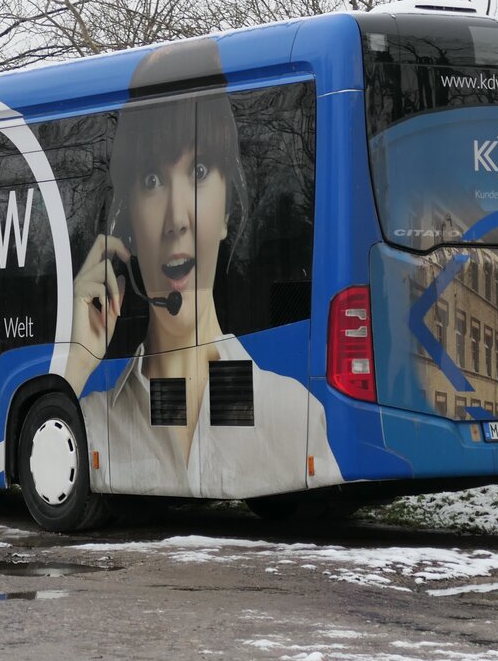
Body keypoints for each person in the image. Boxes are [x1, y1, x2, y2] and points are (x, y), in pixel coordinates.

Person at [64, 40, 341, 499]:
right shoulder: (90, 420)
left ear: (228, 210)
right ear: (127, 221)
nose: (177, 218)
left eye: (198, 173)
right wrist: (74, 365)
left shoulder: (294, 414)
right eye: (152, 181)